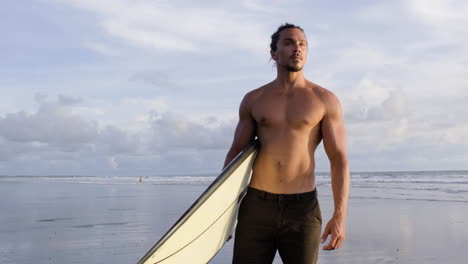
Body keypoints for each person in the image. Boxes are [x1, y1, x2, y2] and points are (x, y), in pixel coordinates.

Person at [223, 23, 350, 264]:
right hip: (256, 206)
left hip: (302, 209)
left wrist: (339, 216)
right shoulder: (255, 99)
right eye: (289, 43)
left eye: (302, 44)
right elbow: (236, 153)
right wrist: (221, 211)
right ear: (274, 52)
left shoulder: (324, 100)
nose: (297, 49)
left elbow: (339, 158)